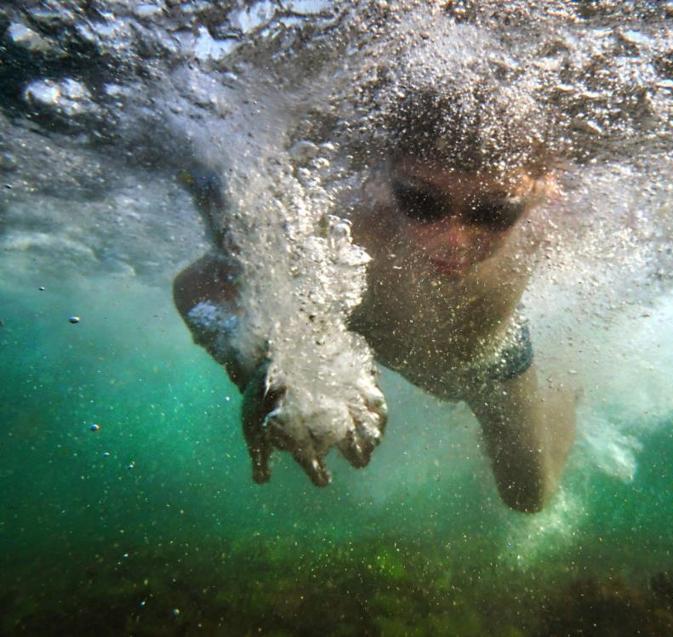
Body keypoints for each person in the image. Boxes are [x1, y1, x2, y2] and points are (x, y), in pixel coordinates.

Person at [173, 62, 576, 513]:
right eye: (422, 201)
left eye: (493, 213)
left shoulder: (551, 220)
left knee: (529, 499)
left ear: (543, 195)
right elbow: (196, 285)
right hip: (384, 344)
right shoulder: (338, 224)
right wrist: (255, 364)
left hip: (490, 365)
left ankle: (562, 403)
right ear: (385, 179)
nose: (455, 239)